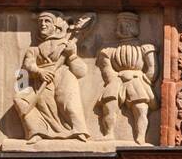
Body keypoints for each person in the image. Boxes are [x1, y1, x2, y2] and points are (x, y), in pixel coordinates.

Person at [15, 11, 92, 142]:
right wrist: (39, 72)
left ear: (56, 25)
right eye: (40, 22)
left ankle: (79, 131)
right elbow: (26, 66)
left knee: (69, 104)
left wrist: (72, 55)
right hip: (42, 81)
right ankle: (37, 131)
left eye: (47, 21)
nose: (42, 24)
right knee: (22, 101)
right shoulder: (33, 49)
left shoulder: (66, 45)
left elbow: (81, 72)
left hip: (64, 77)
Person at [96, 12, 158, 144]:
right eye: (120, 25)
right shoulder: (108, 50)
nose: (122, 28)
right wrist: (116, 78)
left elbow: (152, 69)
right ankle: (109, 134)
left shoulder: (145, 48)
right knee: (109, 106)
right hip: (117, 79)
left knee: (141, 108)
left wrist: (142, 79)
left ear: (134, 27)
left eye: (127, 25)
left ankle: (141, 137)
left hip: (137, 79)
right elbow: (106, 69)